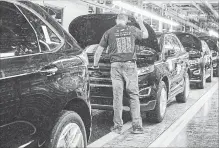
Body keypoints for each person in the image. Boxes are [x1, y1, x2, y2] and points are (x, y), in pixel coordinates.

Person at [93, 13, 149, 134]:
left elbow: (98, 51)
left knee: (117, 97)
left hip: (115, 66)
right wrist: (140, 21)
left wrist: (95, 65)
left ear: (116, 20)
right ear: (127, 21)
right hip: (130, 66)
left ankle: (117, 127)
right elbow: (146, 35)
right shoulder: (132, 29)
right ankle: (137, 127)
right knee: (133, 95)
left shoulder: (109, 32)